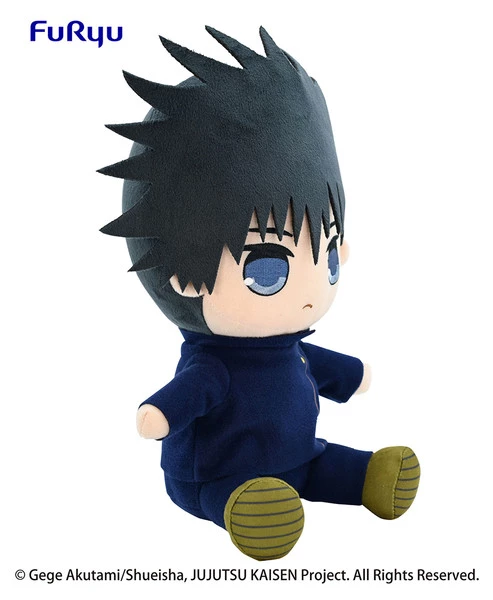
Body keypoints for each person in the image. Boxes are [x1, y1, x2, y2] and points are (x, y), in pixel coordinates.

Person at [99, 26, 420, 561]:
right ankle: (244, 511)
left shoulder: (290, 348)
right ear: (186, 279)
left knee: (323, 464)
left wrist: (353, 374)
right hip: (216, 477)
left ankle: (367, 478)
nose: (313, 287)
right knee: (237, 495)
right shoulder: (213, 368)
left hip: (300, 457)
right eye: (268, 268)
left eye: (329, 252)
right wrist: (159, 414)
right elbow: (176, 403)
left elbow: (316, 365)